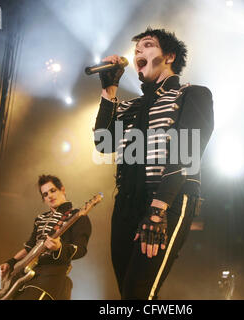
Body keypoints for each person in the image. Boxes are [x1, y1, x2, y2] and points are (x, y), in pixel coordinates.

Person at [93, 27, 214, 299]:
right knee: (128, 293)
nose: (138, 53)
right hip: (126, 201)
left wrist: (158, 209)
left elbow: (187, 151)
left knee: (139, 293)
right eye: (136, 50)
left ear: (169, 56)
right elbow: (104, 143)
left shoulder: (192, 94)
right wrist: (109, 89)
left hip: (166, 198)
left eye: (147, 45)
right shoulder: (131, 106)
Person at [0, 174, 91, 300]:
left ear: (62, 190)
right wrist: (10, 263)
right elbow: (29, 247)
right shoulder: (40, 218)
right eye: (45, 194)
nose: (50, 196)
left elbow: (81, 249)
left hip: (50, 275)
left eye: (53, 190)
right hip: (26, 275)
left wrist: (59, 248)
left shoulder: (78, 216)